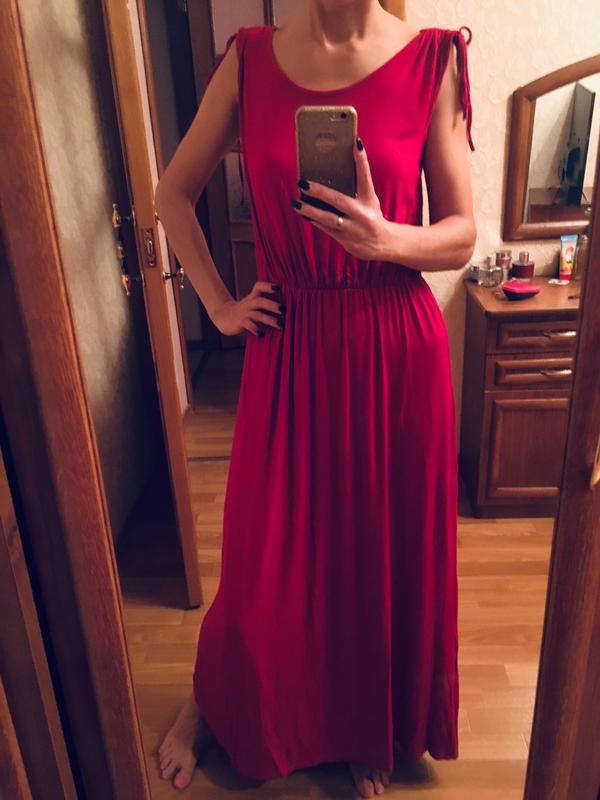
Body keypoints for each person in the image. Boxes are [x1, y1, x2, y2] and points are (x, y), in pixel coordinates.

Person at [154, 1, 476, 796]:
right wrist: (219, 306)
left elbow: (463, 233)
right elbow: (172, 195)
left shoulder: (433, 59)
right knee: (262, 559)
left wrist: (385, 239)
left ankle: (366, 725)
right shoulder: (249, 60)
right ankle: (214, 700)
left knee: (375, 554)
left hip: (395, 349)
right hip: (288, 345)